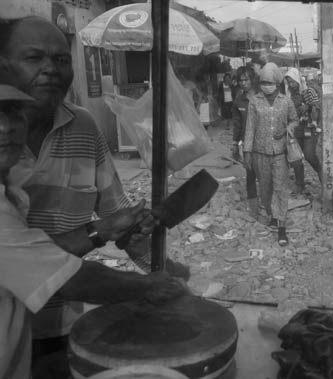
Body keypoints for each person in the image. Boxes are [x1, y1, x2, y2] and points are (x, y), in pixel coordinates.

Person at [0, 16, 189, 375]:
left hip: (67, 326)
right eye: (34, 57)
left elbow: (121, 222)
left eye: (60, 59)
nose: (50, 69)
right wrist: (147, 286)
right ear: (2, 65)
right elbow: (53, 268)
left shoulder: (84, 127)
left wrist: (159, 264)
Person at [243, 63, 298, 246]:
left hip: (280, 153)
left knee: (281, 188)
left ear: (276, 82)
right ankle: (271, 214)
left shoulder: (286, 101)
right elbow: (250, 128)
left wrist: (286, 130)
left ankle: (282, 227)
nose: (266, 85)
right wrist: (247, 152)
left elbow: (294, 120)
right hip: (260, 152)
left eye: (269, 82)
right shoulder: (254, 101)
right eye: (263, 82)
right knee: (265, 189)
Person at [284, 68, 321, 194]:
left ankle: (323, 175)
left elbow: (317, 106)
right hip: (295, 130)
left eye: (293, 82)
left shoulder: (308, 91)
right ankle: (300, 184)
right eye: (289, 82)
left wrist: (308, 106)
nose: (291, 85)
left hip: (309, 128)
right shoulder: (287, 96)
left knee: (310, 155)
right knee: (296, 158)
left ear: (298, 80)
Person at [231, 66, 258, 217]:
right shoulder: (238, 101)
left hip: (264, 143)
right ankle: (253, 207)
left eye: (246, 79)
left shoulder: (262, 97)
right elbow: (237, 124)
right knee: (250, 174)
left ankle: (270, 206)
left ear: (252, 80)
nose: (243, 83)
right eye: (240, 80)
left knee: (266, 174)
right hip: (246, 143)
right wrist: (235, 143)